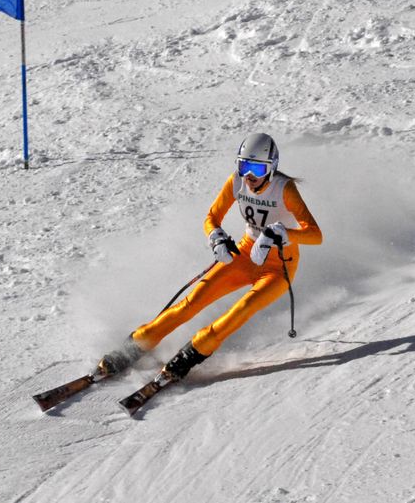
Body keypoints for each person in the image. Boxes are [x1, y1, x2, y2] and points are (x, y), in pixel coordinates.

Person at [97, 133, 323, 381]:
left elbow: (315, 235)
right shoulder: (237, 181)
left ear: (272, 168)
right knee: (191, 303)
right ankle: (135, 346)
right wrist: (216, 237)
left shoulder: (284, 188)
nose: (249, 176)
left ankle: (191, 355)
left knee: (241, 310)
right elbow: (211, 218)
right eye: (244, 166)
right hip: (245, 253)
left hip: (279, 268)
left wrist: (278, 233)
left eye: (257, 169)